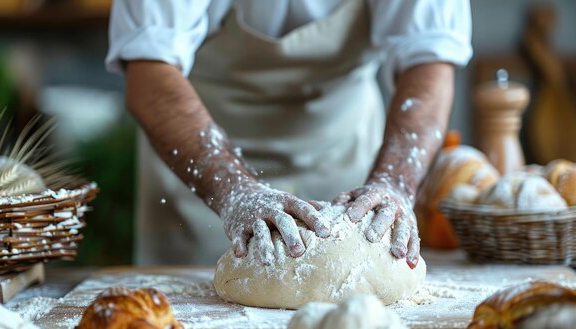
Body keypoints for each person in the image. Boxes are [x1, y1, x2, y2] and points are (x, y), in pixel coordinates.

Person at [107, 0, 472, 267]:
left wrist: (394, 182)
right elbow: (149, 72)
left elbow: (431, 62)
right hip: (201, 159)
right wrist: (235, 193)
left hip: (342, 151)